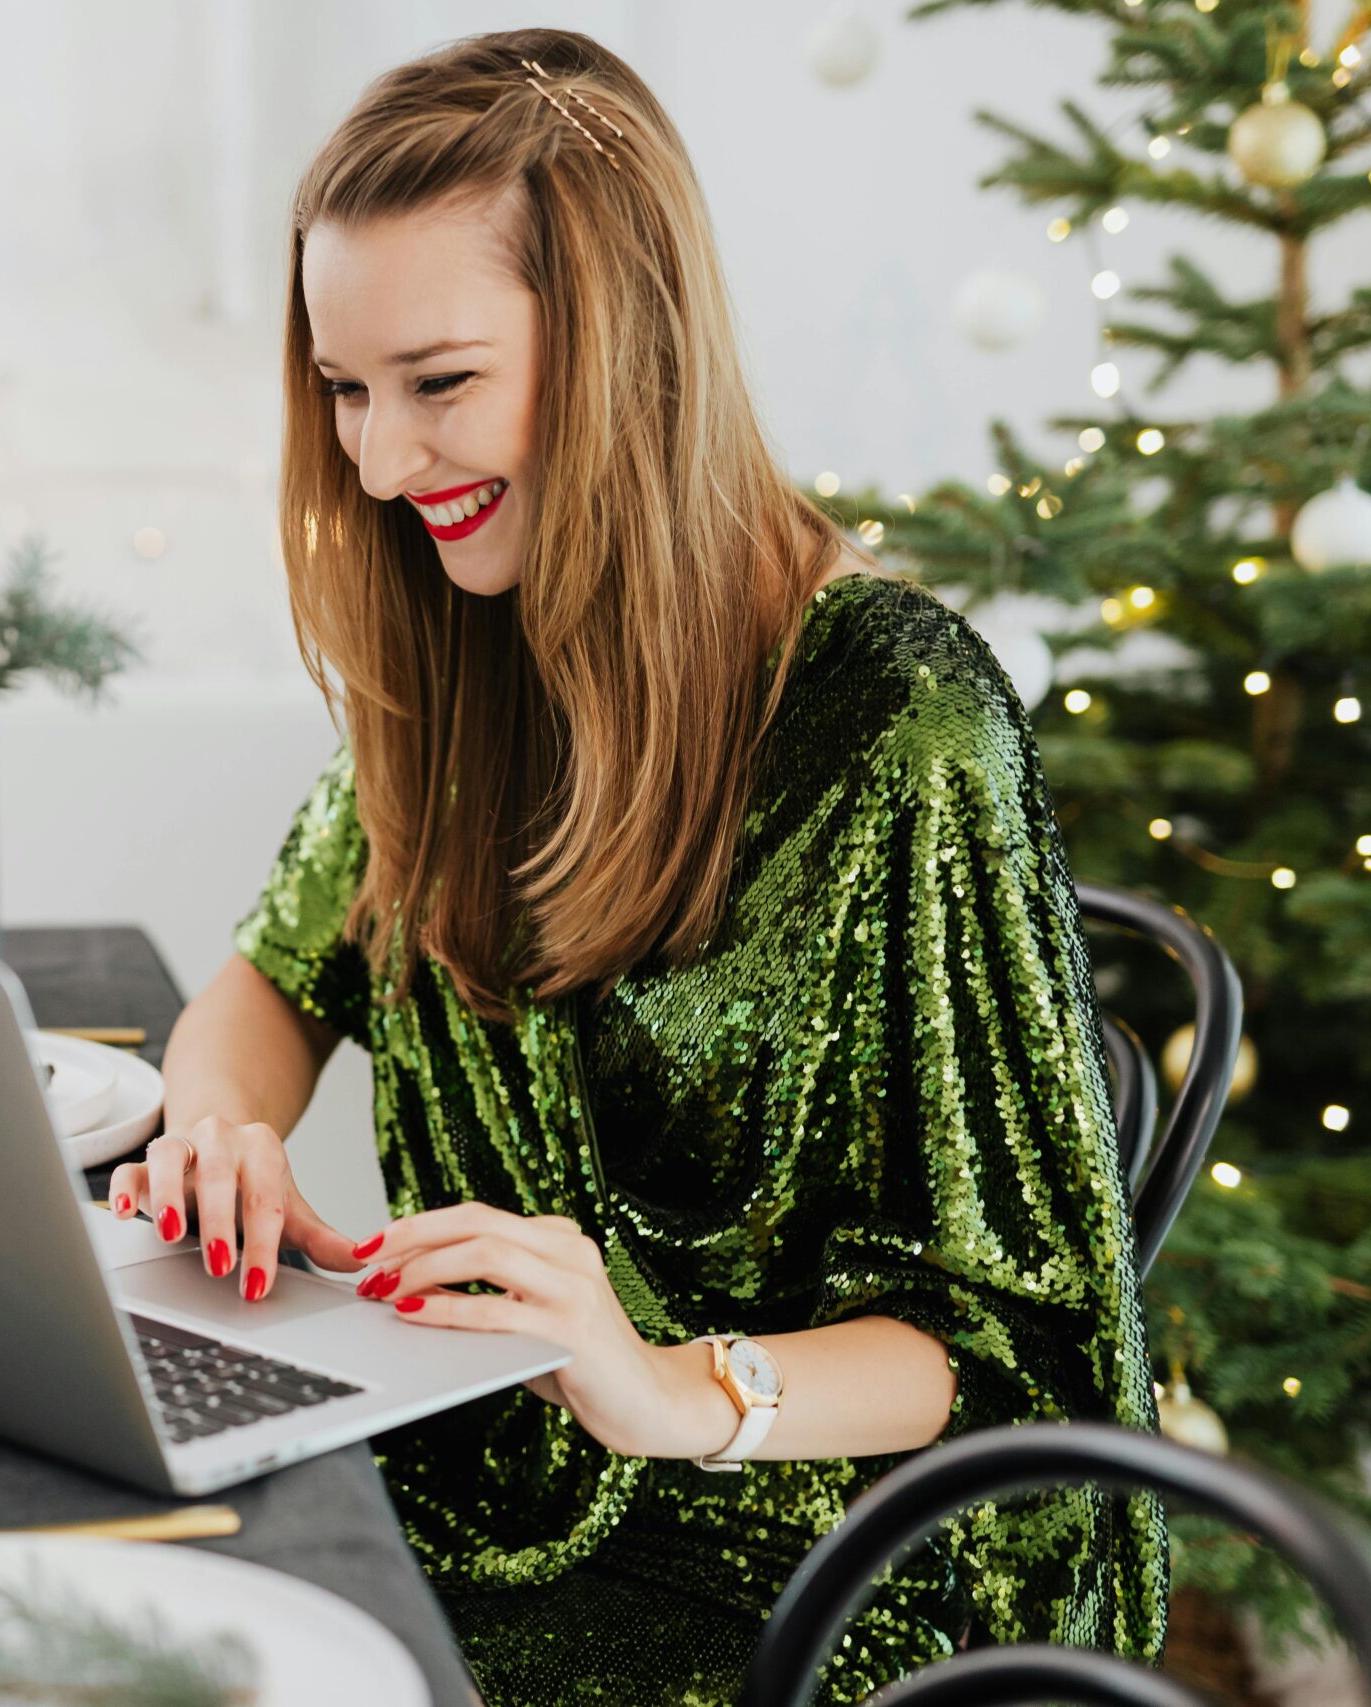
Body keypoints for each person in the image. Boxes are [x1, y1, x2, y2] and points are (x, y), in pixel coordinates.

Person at [107, 26, 1168, 1704]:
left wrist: (673, 1383)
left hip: (788, 1545)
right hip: (478, 1449)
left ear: (626, 346)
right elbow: (266, 981)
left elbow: (1003, 1358)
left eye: (440, 383)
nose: (380, 466)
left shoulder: (898, 721)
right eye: (345, 392)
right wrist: (225, 1129)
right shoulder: (468, 653)